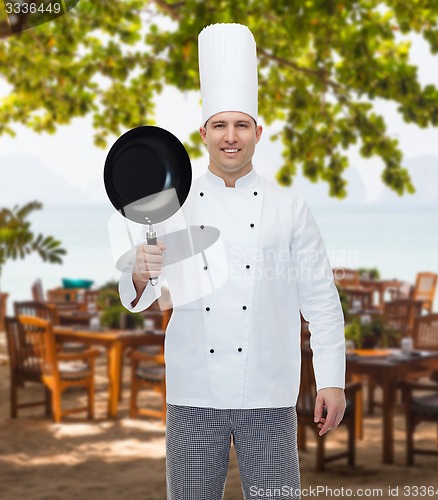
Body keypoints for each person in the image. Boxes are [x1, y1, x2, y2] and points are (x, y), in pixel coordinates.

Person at [119, 23, 346, 500]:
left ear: (258, 133)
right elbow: (140, 294)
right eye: (220, 125)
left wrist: (332, 382)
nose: (230, 137)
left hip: (269, 392)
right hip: (193, 394)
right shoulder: (169, 205)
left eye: (241, 125)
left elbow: (321, 300)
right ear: (203, 133)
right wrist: (139, 274)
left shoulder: (290, 207)